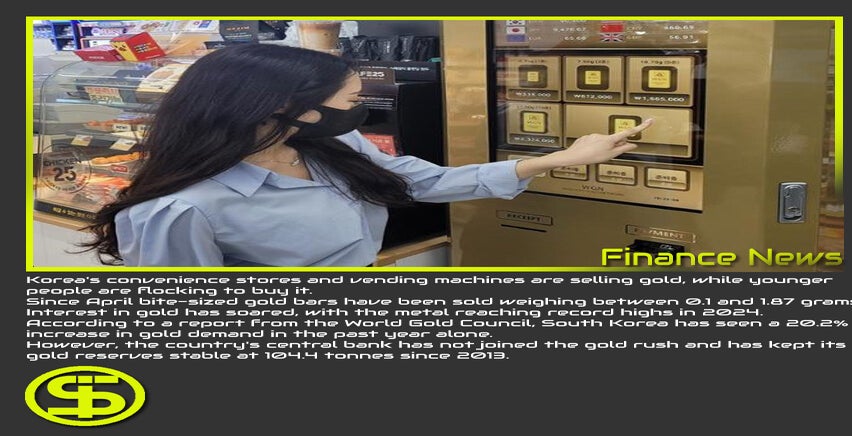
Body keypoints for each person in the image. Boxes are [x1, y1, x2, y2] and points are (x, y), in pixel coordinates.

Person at [79, 43, 652, 267]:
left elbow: (418, 181)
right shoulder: (180, 210)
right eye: (353, 100)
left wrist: (557, 159)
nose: (363, 110)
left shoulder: (325, 145)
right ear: (287, 107)